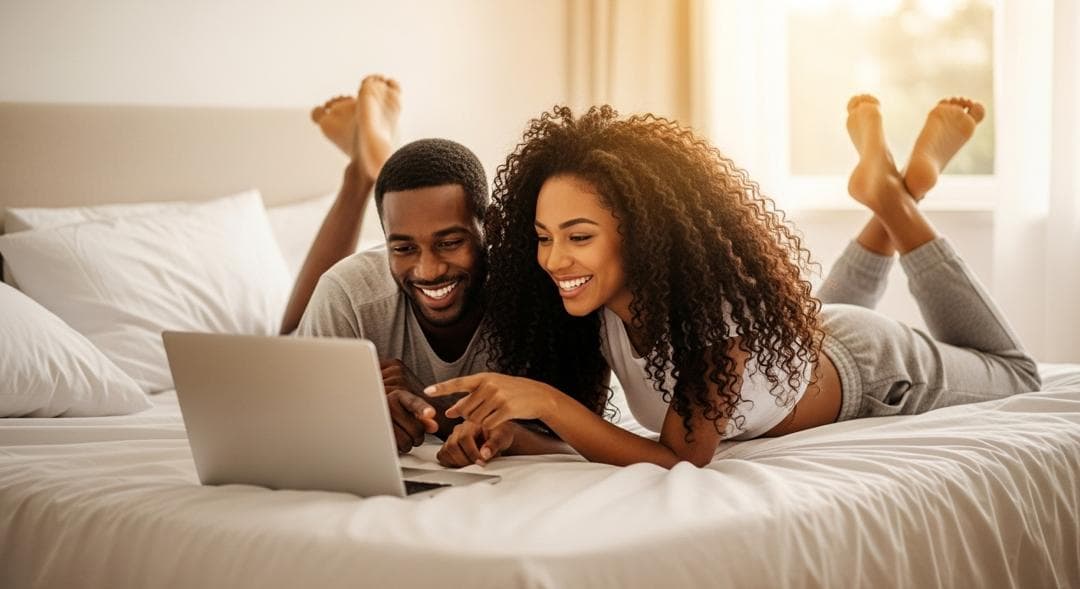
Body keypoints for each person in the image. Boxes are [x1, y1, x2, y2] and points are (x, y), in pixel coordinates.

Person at [426, 96, 1041, 468]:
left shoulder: (709, 316)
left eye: (578, 236)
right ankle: (890, 196)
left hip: (868, 370)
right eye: (543, 236)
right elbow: (590, 437)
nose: (555, 260)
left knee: (1015, 372)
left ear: (640, 232)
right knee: (811, 316)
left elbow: (677, 456)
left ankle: (899, 203)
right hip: (800, 342)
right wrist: (509, 435)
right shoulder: (593, 303)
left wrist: (542, 400)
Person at [285, 75, 566, 461]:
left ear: (490, 227)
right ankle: (361, 176)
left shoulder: (540, 293)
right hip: (314, 328)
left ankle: (371, 166)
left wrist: (431, 410)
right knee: (287, 333)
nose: (429, 270)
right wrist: (361, 419)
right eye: (402, 247)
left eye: (450, 243)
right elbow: (295, 414)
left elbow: (579, 435)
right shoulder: (349, 292)